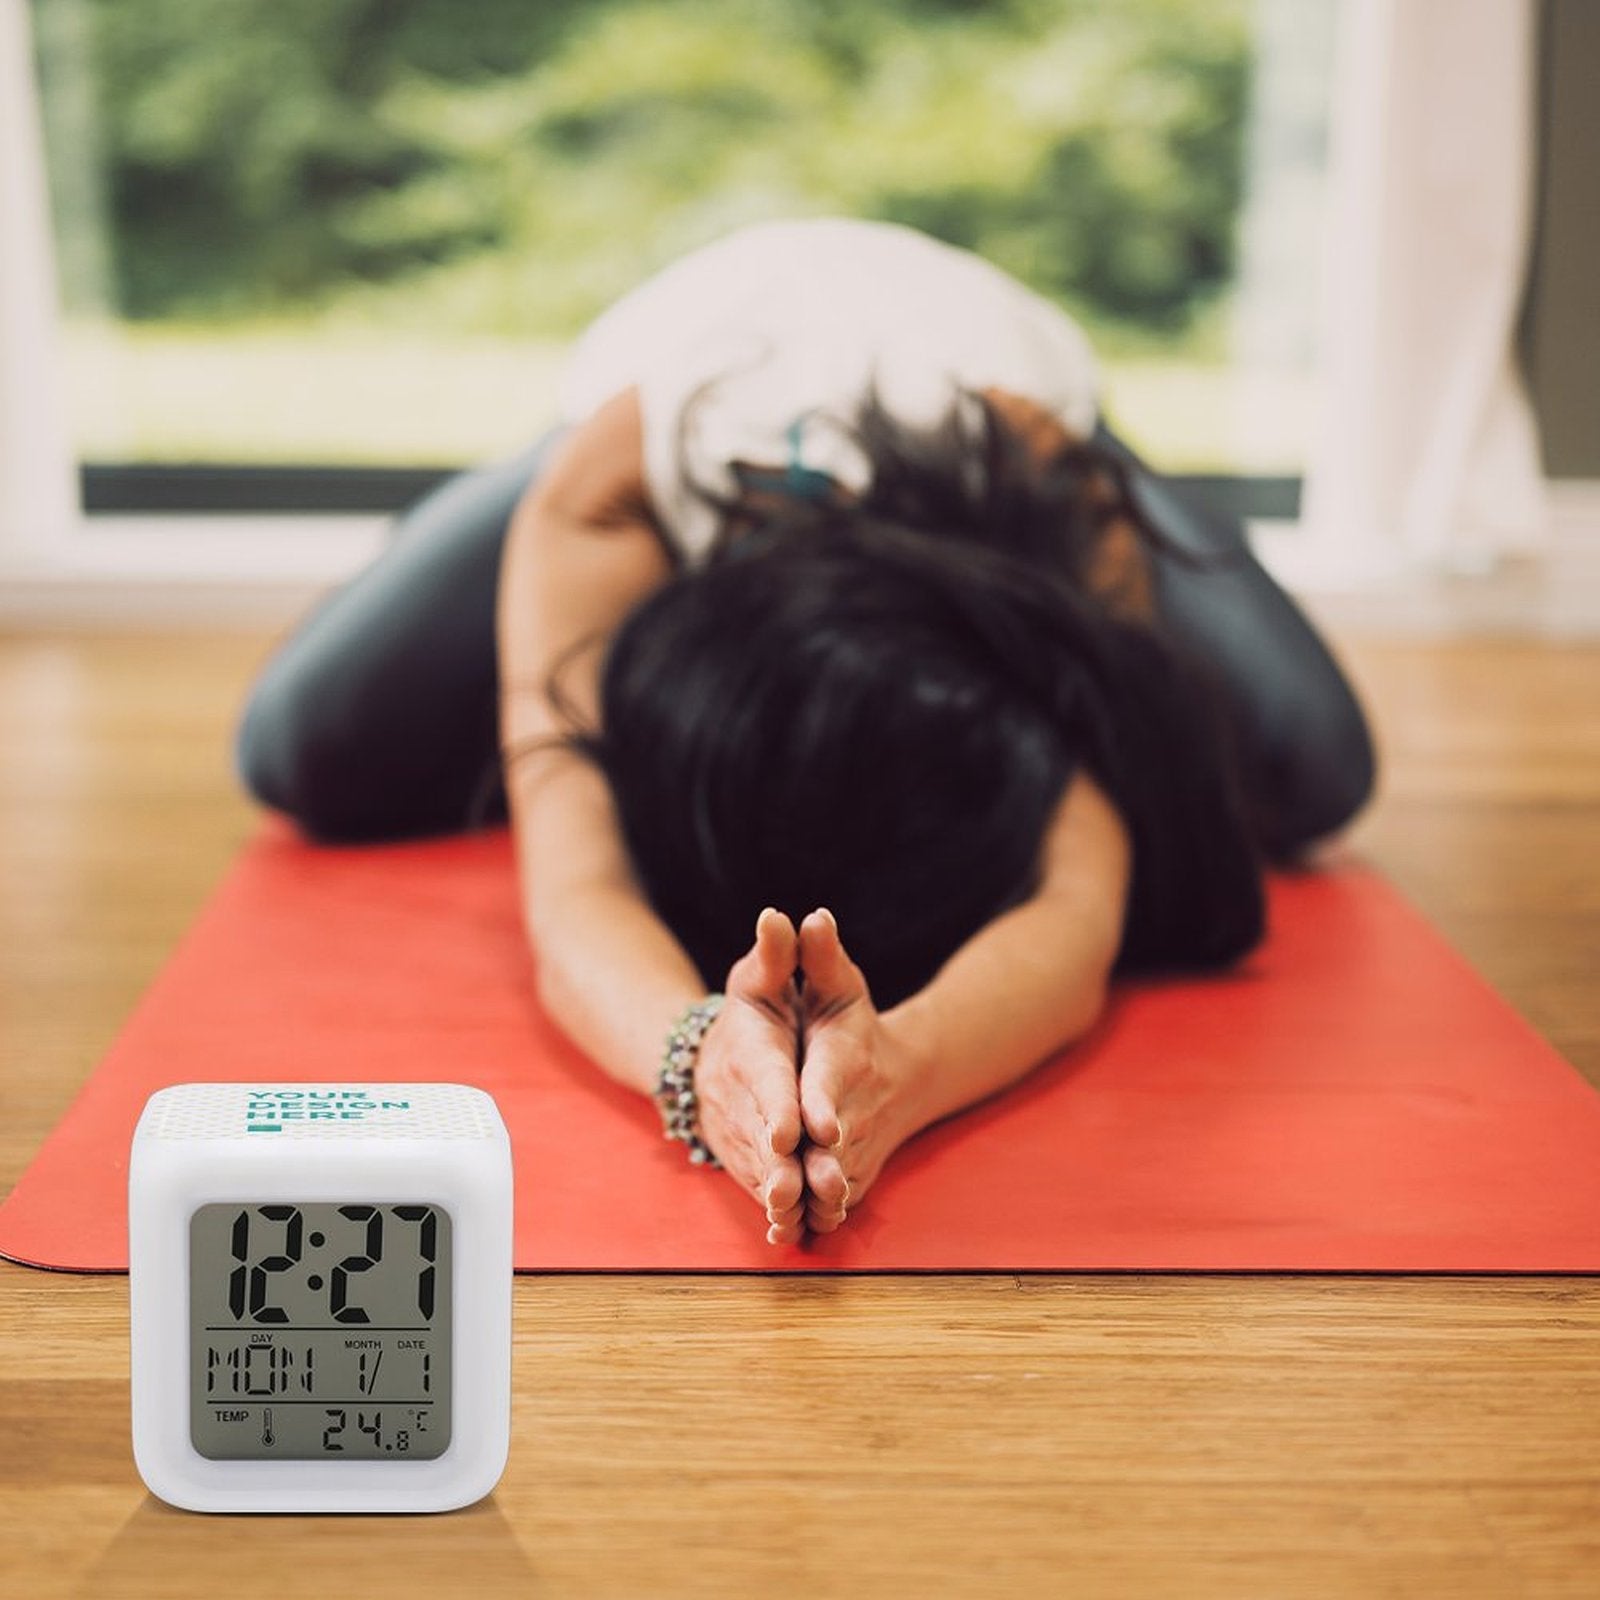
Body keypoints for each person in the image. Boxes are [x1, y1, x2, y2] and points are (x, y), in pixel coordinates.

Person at [235, 217, 1376, 1247]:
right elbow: (571, 884)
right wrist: (698, 1059)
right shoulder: (609, 494)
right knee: (299, 750)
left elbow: (1080, 901)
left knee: (1313, 770)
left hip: (1002, 376)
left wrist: (895, 1076)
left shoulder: (1043, 498)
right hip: (662, 362)